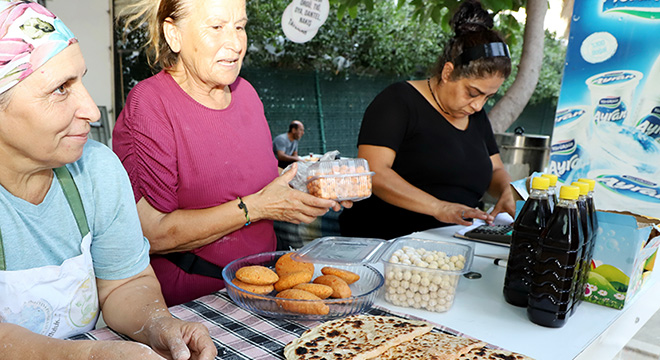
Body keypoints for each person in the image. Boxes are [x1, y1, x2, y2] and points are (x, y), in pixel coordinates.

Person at [0, 1, 216, 359]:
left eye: (80, 80)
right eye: (60, 89)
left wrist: (159, 325)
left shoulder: (97, 170)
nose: (89, 109)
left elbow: (125, 284)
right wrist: (86, 356)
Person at [112, 0, 349, 306]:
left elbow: (255, 178)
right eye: (216, 27)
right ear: (174, 34)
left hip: (266, 287)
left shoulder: (247, 93)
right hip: (198, 301)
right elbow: (152, 232)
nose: (236, 43)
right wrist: (257, 209)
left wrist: (313, 185)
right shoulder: (150, 104)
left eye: (240, 26)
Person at [339, 0, 516, 240]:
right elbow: (374, 171)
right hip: (385, 242)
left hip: (455, 242)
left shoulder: (476, 115)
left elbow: (495, 168)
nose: (478, 105)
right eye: (473, 93)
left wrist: (506, 189)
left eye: (488, 97)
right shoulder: (398, 101)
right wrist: (438, 207)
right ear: (448, 72)